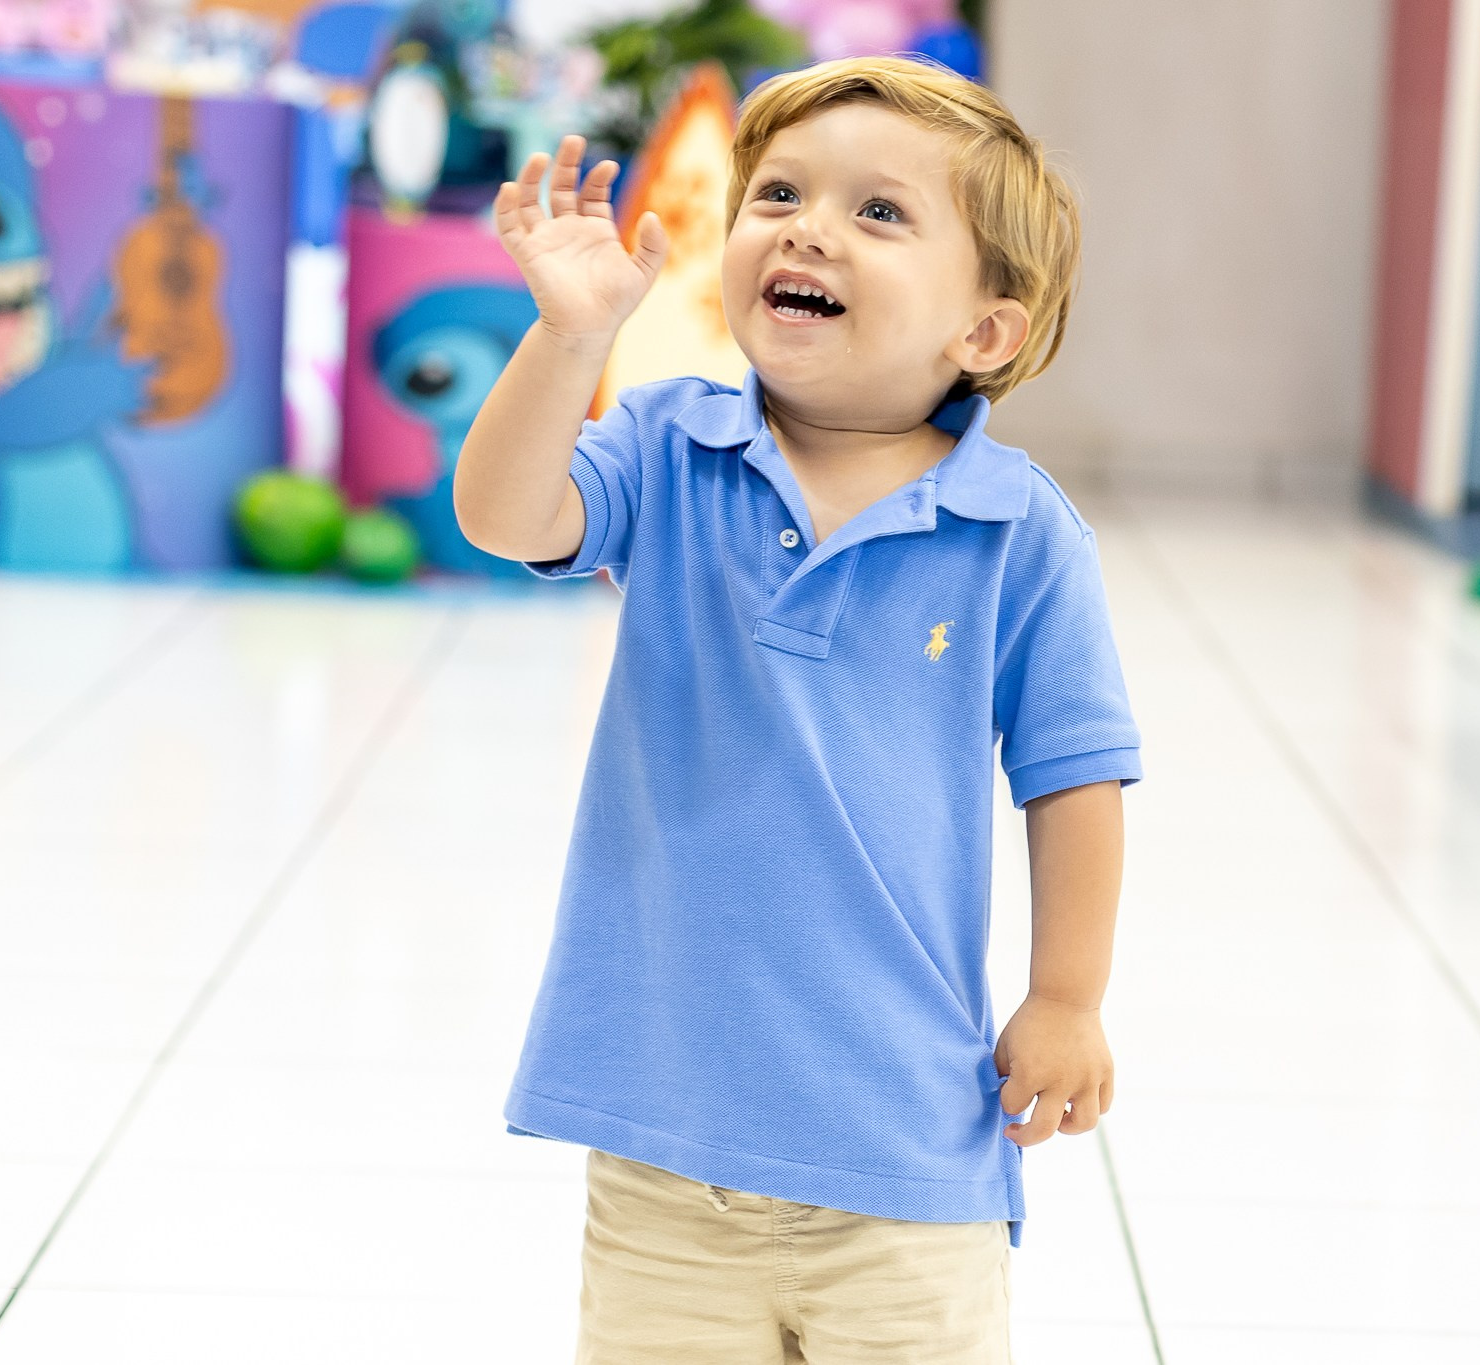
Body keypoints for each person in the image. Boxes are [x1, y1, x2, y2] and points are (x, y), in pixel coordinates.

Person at [455, 54, 1142, 1364]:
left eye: (879, 213)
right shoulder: (669, 445)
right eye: (777, 194)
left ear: (984, 329)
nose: (807, 227)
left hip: (904, 1154)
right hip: (663, 1143)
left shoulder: (1019, 536)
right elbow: (505, 514)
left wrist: (1068, 994)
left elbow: (1076, 775)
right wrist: (570, 338)